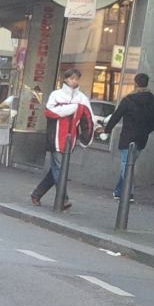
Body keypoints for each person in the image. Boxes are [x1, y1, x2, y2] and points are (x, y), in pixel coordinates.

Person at [30, 67, 93, 211]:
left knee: (56, 170)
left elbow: (87, 119)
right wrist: (72, 108)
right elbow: (49, 112)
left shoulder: (82, 98)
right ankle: (63, 199)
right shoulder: (56, 95)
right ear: (65, 79)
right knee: (59, 168)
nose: (74, 81)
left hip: (69, 140)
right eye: (71, 78)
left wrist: (85, 138)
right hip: (56, 138)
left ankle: (36, 194)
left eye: (76, 78)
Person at [102, 73, 154, 201]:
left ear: (135, 83)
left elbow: (116, 116)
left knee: (126, 165)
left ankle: (129, 192)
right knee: (129, 164)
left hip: (128, 137)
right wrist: (146, 130)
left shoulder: (128, 100)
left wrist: (107, 130)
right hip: (142, 138)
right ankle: (118, 191)